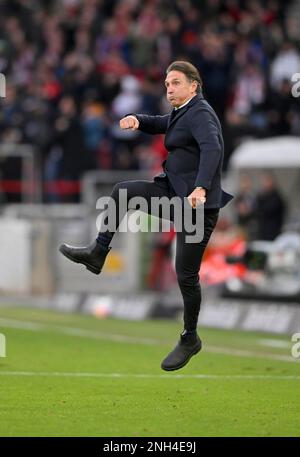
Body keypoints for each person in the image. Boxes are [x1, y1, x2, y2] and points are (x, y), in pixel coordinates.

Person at [59, 61, 233, 371]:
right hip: (176, 197)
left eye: (176, 82)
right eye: (167, 83)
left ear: (194, 85)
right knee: (124, 192)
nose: (169, 88)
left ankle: (190, 337)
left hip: (196, 207)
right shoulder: (184, 112)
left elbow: (213, 148)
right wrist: (138, 120)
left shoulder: (202, 112)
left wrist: (202, 188)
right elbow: (163, 122)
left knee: (186, 277)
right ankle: (98, 252)